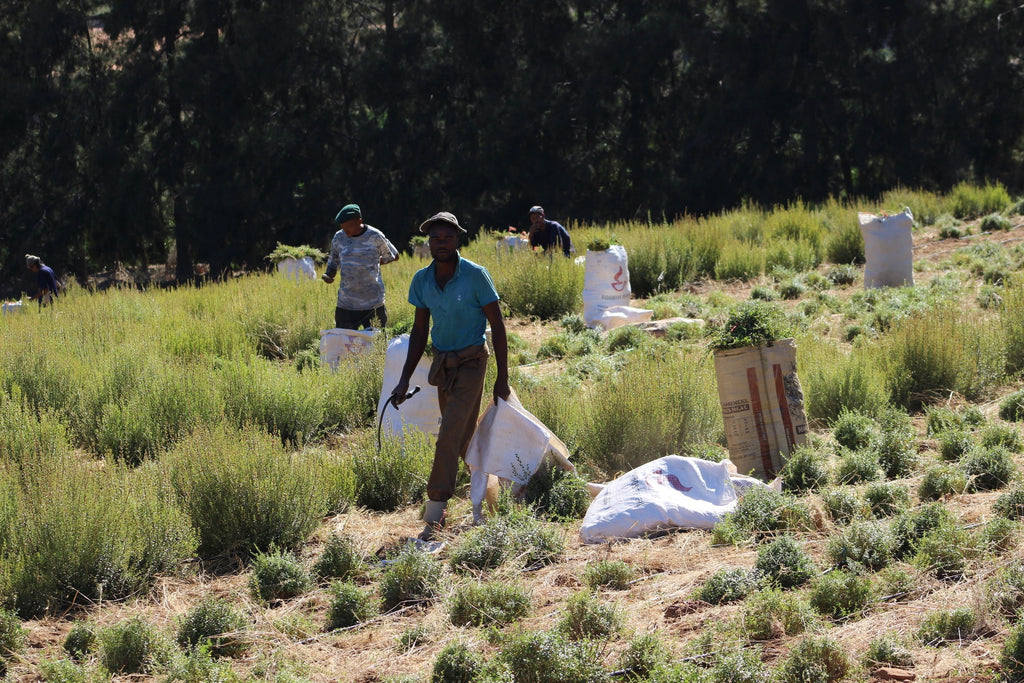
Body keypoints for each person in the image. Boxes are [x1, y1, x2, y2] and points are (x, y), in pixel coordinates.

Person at [390, 211, 510, 541]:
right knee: (463, 440)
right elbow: (418, 332)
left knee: (447, 434)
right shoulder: (422, 280)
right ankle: (498, 486)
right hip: (443, 366)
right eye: (435, 239)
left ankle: (435, 513)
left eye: (447, 238)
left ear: (457, 240)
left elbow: (498, 327)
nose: (441, 244)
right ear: (428, 243)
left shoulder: (475, 276)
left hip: (472, 362)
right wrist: (404, 379)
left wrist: (502, 378)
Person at [322, 203, 399, 329]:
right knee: (345, 342)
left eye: (349, 227)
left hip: (373, 303)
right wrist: (329, 275)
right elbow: (333, 262)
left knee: (375, 342)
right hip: (346, 304)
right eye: (343, 228)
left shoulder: (374, 236)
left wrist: (375, 261)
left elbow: (394, 255)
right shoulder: (339, 237)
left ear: (359, 221)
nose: (346, 232)